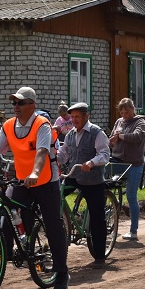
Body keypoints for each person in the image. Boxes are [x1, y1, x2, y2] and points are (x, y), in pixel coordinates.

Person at [0, 86, 69, 289]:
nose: (16, 106)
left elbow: (41, 151)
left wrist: (34, 173)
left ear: (32, 105)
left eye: (20, 103)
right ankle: (10, 253)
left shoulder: (42, 124)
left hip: (46, 180)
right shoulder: (8, 126)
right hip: (23, 180)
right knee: (8, 208)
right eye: (14, 102)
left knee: (53, 225)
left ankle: (61, 272)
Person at [58, 102, 111, 265]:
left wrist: (92, 162)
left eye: (77, 117)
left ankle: (100, 256)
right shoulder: (70, 135)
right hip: (74, 175)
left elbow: (105, 154)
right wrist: (54, 160)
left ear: (86, 116)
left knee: (97, 216)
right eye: (72, 117)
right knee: (54, 197)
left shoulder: (96, 132)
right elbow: (64, 153)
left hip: (92, 179)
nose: (74, 120)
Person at [108, 97, 145, 240]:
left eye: (127, 112)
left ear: (132, 109)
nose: (124, 115)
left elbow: (137, 136)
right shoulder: (119, 122)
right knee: (104, 187)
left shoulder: (140, 122)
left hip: (134, 164)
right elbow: (113, 137)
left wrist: (121, 136)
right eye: (122, 112)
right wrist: (112, 140)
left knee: (131, 196)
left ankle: (133, 231)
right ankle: (112, 210)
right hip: (118, 161)